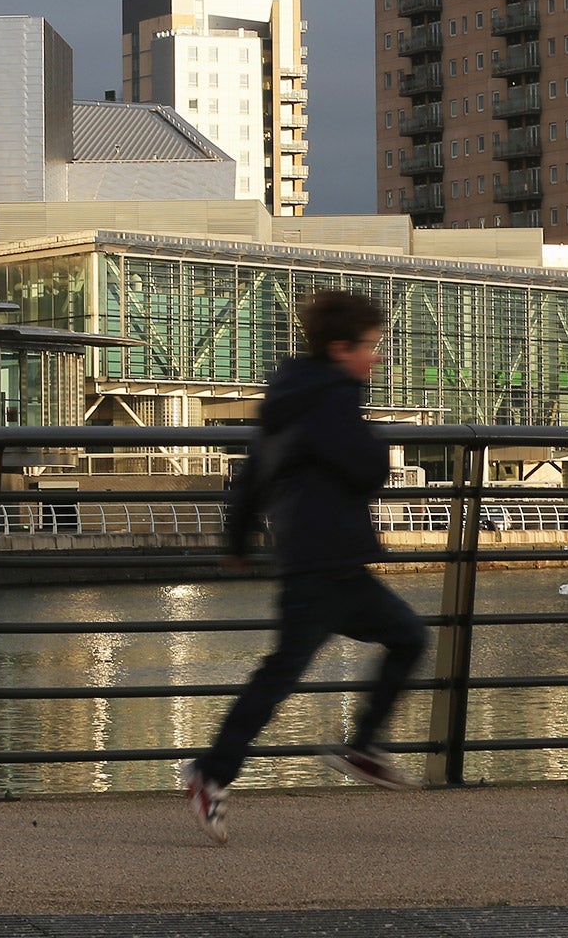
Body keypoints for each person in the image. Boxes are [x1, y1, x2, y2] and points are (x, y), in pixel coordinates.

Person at [178, 290, 428, 844]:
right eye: (371, 347)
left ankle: (352, 748)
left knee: (294, 668)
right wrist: (371, 444)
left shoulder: (291, 394)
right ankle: (218, 771)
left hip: (316, 560)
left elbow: (253, 474)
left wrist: (238, 538)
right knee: (396, 642)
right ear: (340, 347)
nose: (376, 358)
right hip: (327, 562)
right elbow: (366, 468)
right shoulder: (334, 396)